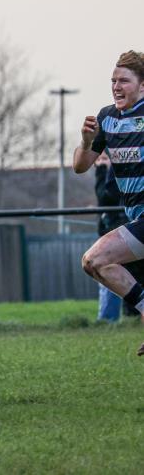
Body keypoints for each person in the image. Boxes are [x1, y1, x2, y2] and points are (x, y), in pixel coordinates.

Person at [73, 50, 144, 355]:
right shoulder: (106, 118)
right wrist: (88, 141)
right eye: (113, 80)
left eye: (124, 81)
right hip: (135, 219)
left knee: (94, 259)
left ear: (142, 86)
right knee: (94, 264)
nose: (116, 86)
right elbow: (80, 165)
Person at [93, 152, 129, 321]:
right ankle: (113, 316)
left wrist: (101, 172)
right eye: (98, 160)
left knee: (108, 269)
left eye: (104, 159)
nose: (101, 163)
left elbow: (105, 198)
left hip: (120, 230)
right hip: (108, 231)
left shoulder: (115, 175)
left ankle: (108, 317)